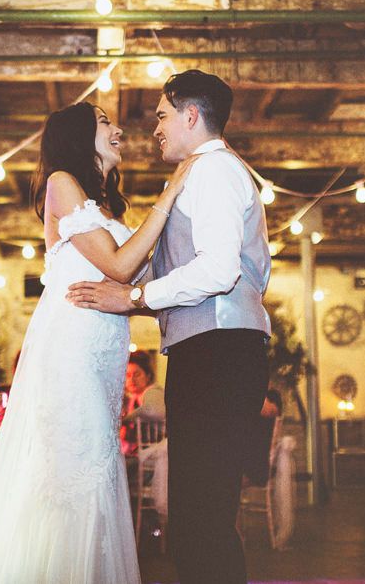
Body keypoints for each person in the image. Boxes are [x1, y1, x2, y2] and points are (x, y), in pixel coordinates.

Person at [0, 101, 196, 584]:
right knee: (71, 469)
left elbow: (133, 285)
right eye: (106, 123)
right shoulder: (61, 182)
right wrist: (170, 193)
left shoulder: (105, 207)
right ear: (79, 136)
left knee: (96, 462)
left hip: (102, 349)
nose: (119, 129)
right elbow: (120, 267)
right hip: (71, 346)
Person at [67, 70, 271, 584]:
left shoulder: (215, 171)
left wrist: (134, 295)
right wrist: (131, 302)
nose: (155, 128)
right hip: (209, 351)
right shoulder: (200, 174)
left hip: (219, 353)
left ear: (191, 115)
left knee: (202, 519)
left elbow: (219, 271)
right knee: (198, 517)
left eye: (161, 116)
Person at [120, 350, 165, 455]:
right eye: (127, 375)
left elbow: (151, 409)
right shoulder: (133, 399)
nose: (131, 380)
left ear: (148, 375)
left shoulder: (153, 391)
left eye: (137, 374)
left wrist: (125, 420)